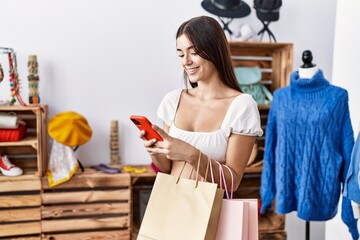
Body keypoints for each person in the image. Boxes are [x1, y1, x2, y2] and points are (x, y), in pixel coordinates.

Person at [140, 16, 263, 191]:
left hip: (209, 212)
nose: (186, 61)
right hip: (170, 204)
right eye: (181, 54)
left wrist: (191, 154)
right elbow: (167, 168)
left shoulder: (241, 106)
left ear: (215, 50)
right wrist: (155, 151)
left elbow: (232, 182)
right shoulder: (173, 100)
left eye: (194, 52)